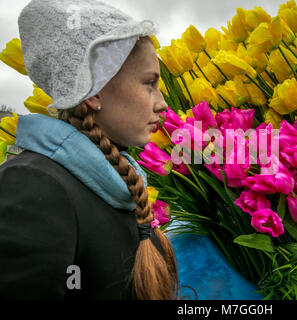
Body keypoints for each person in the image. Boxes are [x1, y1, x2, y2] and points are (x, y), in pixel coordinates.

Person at [0, 0, 178, 299]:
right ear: (94, 92)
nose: (163, 103)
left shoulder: (117, 182)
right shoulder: (32, 185)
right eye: (149, 83)